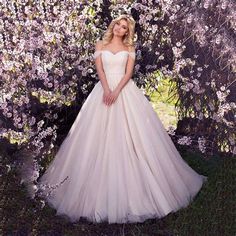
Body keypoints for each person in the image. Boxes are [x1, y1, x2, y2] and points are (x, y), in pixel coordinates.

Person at [37, 14, 208, 224]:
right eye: (118, 24)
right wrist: (107, 89)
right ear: (113, 26)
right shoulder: (101, 43)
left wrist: (116, 91)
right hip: (103, 90)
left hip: (124, 91)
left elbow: (128, 74)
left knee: (134, 136)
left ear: (128, 31)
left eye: (124, 27)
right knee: (93, 136)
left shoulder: (129, 48)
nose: (119, 28)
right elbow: (99, 68)